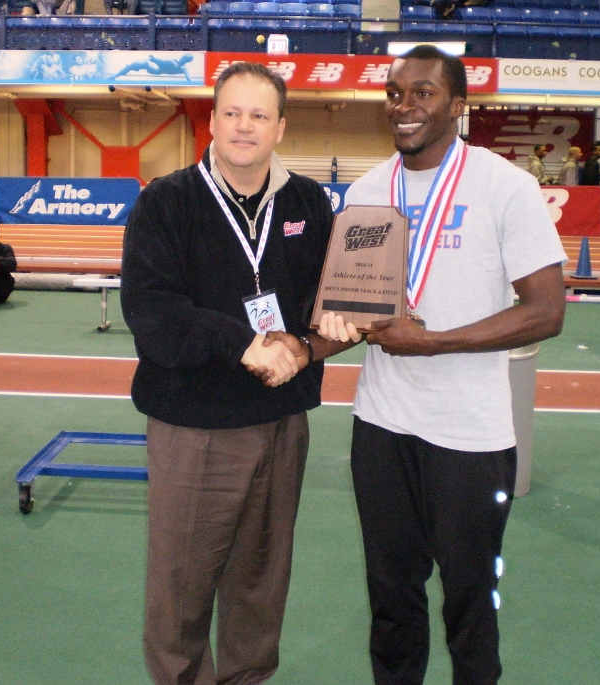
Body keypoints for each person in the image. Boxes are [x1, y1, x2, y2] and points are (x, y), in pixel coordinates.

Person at [318, 45, 568, 685]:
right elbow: (353, 310)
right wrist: (302, 347)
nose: (405, 107)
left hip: (470, 436)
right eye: (396, 93)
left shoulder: (504, 185)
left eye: (423, 93)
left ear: (459, 105)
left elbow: (545, 312)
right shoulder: (370, 190)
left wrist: (434, 341)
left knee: (469, 598)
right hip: (381, 425)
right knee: (392, 596)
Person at [120, 62, 349, 685]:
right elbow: (153, 314)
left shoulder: (309, 201)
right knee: (182, 591)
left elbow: (325, 302)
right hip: (195, 427)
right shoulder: (166, 202)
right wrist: (244, 344)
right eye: (231, 113)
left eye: (258, 115)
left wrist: (332, 327)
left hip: (281, 423)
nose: (243, 127)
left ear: (280, 126)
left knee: (260, 584)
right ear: (213, 121)